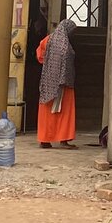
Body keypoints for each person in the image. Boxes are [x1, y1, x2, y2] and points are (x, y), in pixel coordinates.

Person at [36, 19, 78, 149]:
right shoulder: (66, 44)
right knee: (65, 113)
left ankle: (45, 140)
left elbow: (40, 57)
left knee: (46, 111)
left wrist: (50, 66)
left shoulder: (48, 40)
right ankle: (63, 139)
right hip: (65, 84)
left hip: (48, 82)